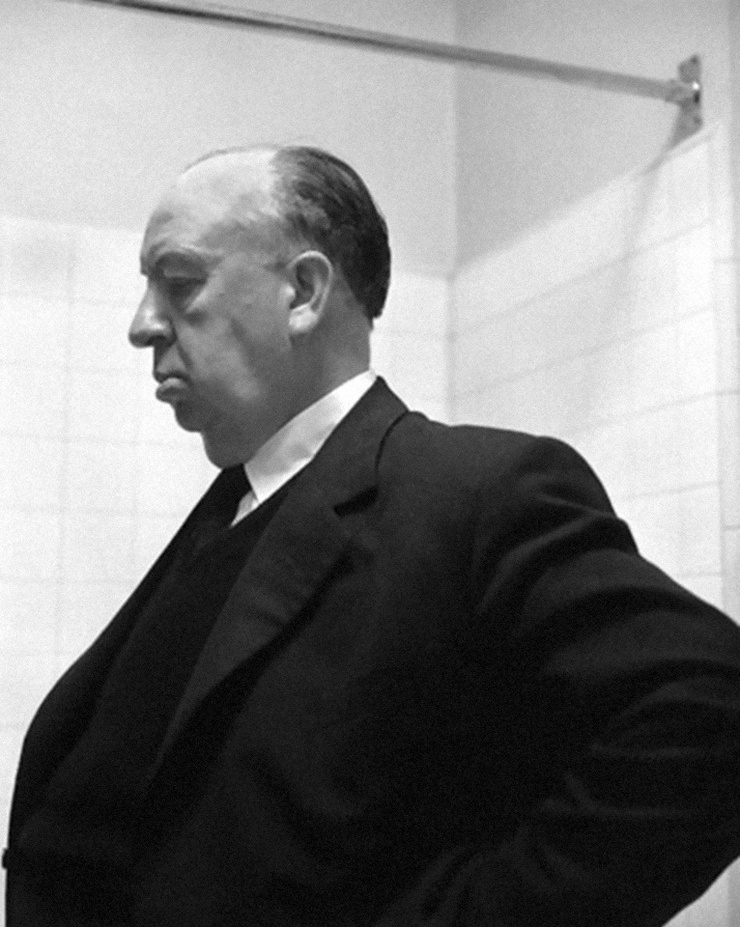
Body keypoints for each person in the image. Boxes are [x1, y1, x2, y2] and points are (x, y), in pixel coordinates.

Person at [5, 145, 740, 927]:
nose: (141, 325)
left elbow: (713, 717)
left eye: (179, 282)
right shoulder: (235, 508)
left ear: (303, 292)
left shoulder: (477, 494)